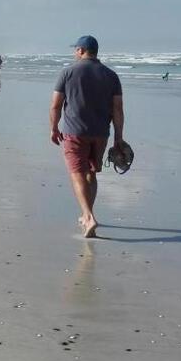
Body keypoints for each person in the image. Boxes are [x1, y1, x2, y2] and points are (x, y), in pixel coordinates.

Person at [49, 35, 125, 238]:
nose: (74, 52)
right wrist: (118, 137)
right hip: (101, 133)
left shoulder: (68, 72)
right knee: (91, 172)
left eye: (76, 49)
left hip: (74, 132)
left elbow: (56, 105)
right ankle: (86, 214)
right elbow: (118, 109)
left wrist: (53, 128)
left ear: (82, 50)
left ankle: (89, 216)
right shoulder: (111, 75)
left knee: (77, 173)